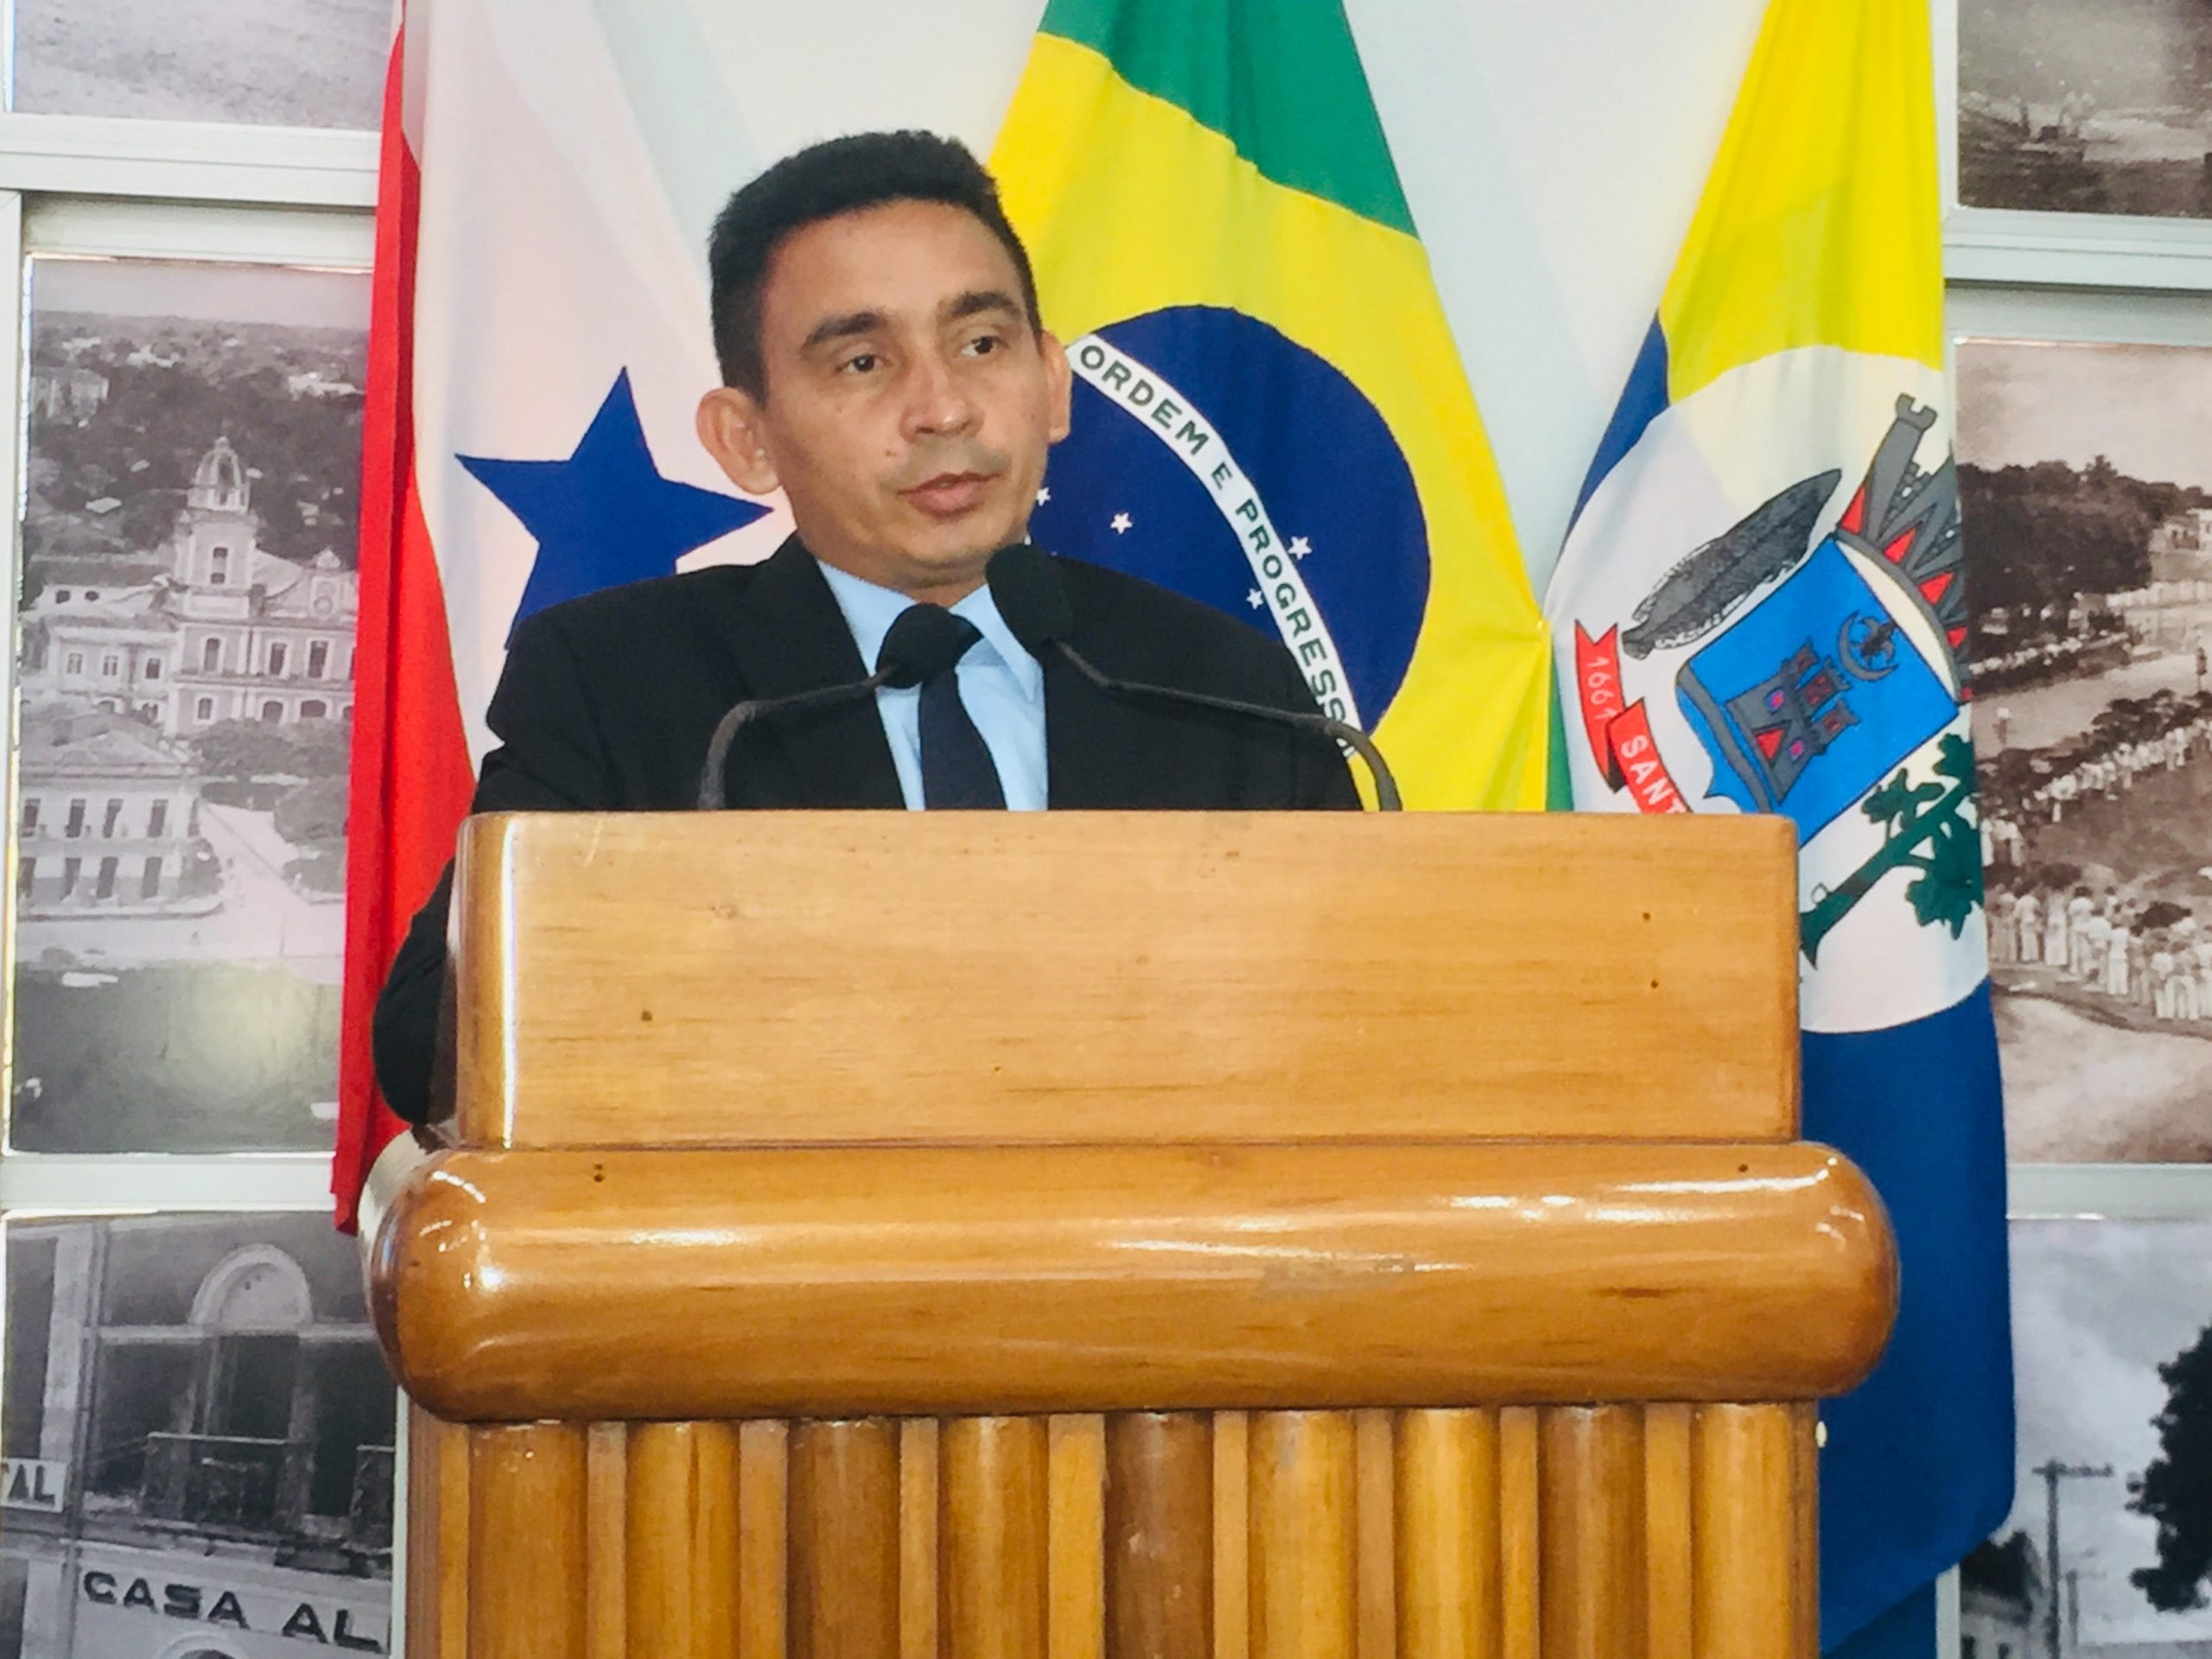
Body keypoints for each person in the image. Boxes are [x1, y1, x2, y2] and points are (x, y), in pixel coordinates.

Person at [372, 132, 1358, 1126]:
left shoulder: (1227, 689)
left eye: (981, 344)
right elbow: (429, 1051)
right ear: (746, 440)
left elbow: (1363, 1024)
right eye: (862, 361)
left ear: (1053, 383)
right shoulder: (618, 683)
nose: (942, 409)